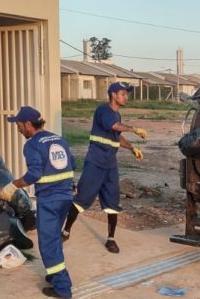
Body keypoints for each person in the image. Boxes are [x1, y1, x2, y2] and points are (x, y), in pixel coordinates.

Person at [0, 106, 75, 299]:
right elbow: (71, 164)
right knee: (54, 239)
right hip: (65, 198)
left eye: (19, 125)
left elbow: (34, 175)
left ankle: (62, 287)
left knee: (48, 244)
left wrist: (12, 186)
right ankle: (55, 273)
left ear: (28, 124)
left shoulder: (32, 145)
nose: (18, 130)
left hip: (49, 200)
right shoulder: (59, 139)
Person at [62, 81, 146, 252]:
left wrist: (132, 148)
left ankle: (111, 239)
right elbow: (113, 126)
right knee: (82, 198)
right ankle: (65, 231)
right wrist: (135, 129)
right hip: (95, 162)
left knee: (112, 201)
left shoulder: (117, 115)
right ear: (113, 95)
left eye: (127, 94)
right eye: (123, 93)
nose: (126, 97)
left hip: (110, 165)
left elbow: (117, 136)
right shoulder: (103, 110)